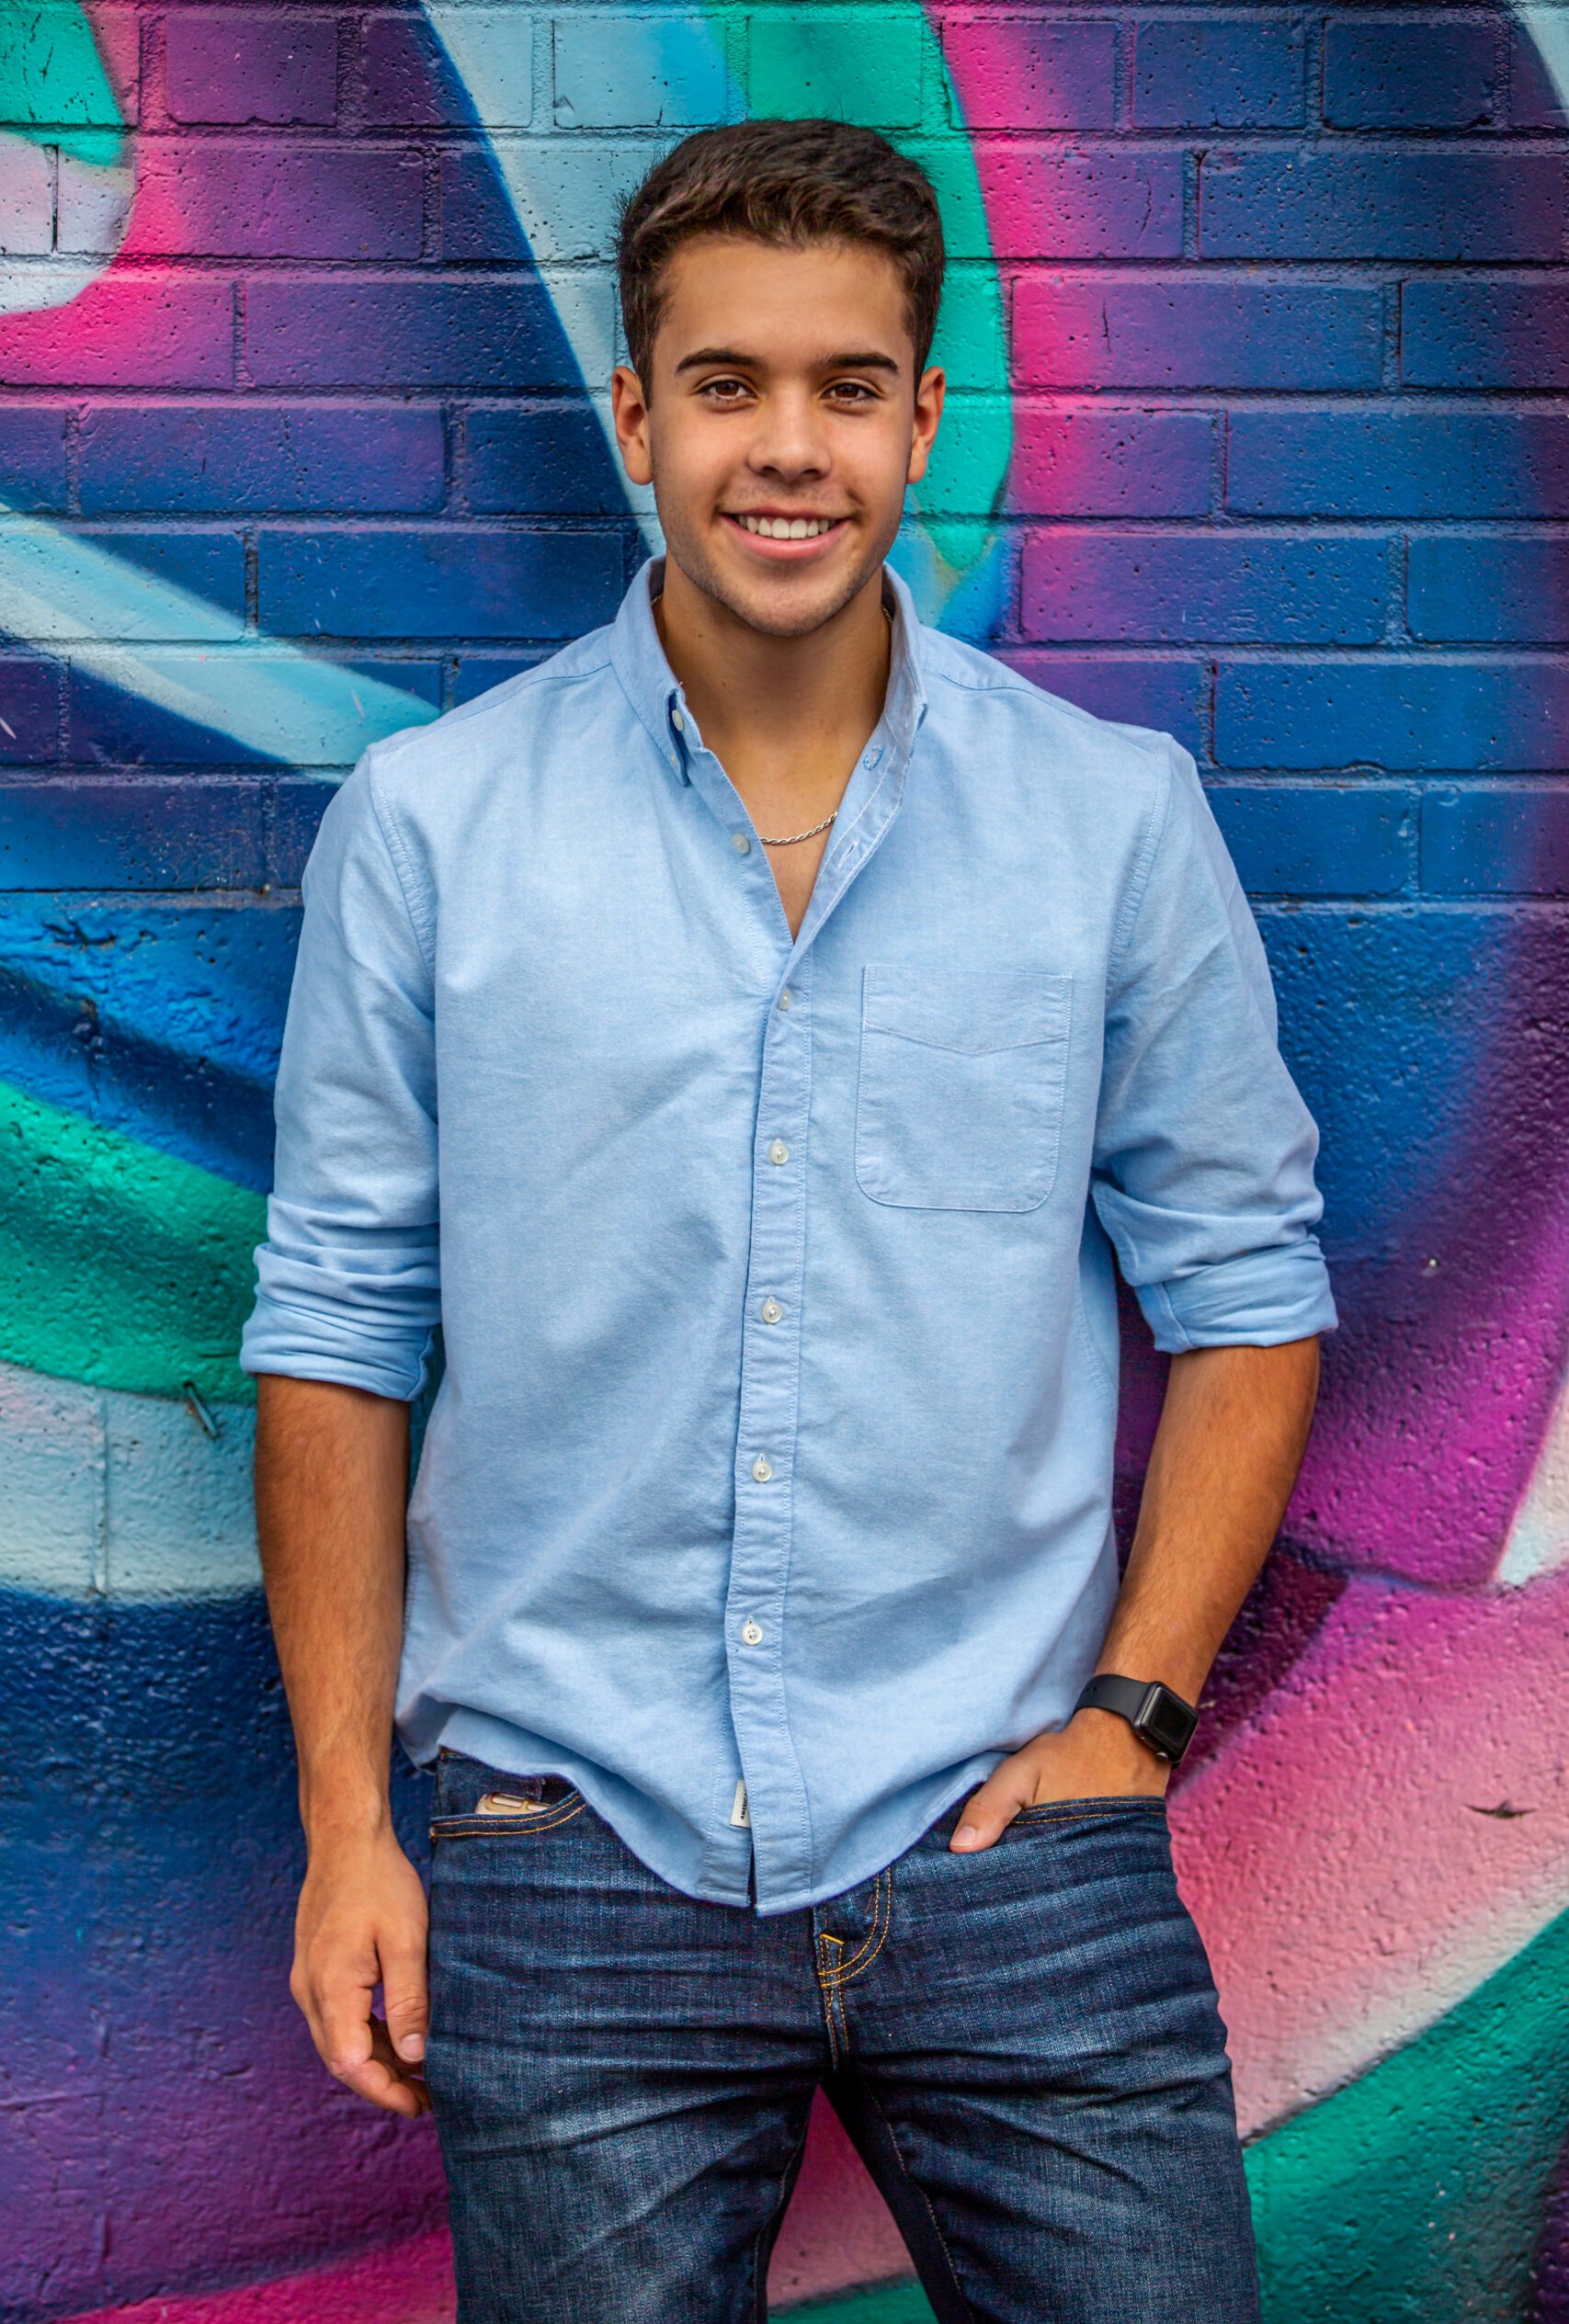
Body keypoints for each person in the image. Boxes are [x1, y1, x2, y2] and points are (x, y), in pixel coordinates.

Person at [241, 116, 1335, 2324]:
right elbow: (337, 1329)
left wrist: (1128, 1722)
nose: (786, 449)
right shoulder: (434, 827)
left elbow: (1246, 1293)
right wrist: (347, 1824)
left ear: (919, 419)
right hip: (569, 1855)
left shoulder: (1107, 820)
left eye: (844, 387)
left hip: (1014, 1843)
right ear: (634, 414)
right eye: (723, 382)